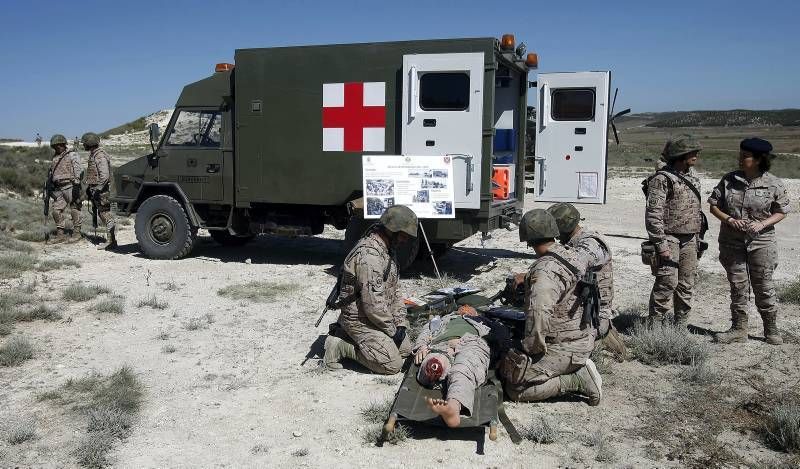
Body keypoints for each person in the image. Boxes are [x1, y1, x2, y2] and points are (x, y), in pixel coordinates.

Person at [499, 209, 602, 405]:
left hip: (564, 347)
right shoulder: (571, 254)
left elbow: (539, 314)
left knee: (515, 387)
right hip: (582, 337)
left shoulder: (545, 270)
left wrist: (529, 350)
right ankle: (575, 368)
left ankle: (577, 379)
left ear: (528, 240)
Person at [709, 138, 791, 345]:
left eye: (745, 156)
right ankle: (738, 329)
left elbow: (781, 212)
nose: (740, 159)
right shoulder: (729, 180)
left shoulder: (773, 183)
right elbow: (713, 206)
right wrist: (728, 219)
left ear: (759, 160)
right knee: (738, 286)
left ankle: (771, 329)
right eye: (741, 154)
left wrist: (762, 224)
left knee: (763, 285)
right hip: (732, 243)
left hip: (762, 242)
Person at [323, 205, 417, 374]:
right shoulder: (369, 256)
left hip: (376, 317)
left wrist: (400, 324)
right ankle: (340, 345)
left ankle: (348, 336)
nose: (405, 240)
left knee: (405, 350)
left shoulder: (387, 251)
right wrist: (392, 330)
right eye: (403, 235)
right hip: (359, 319)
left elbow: (395, 292)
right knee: (392, 364)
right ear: (391, 230)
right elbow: (372, 304)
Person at [546, 202, 626, 358]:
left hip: (594, 318)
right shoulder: (573, 242)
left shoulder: (591, 244)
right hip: (582, 310)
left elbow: (569, 267)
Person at [644, 135, 704, 326]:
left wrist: (698, 238)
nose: (695, 155)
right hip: (669, 239)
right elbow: (653, 215)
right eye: (691, 152)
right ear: (681, 155)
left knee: (686, 285)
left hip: (691, 239)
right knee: (666, 283)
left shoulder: (693, 176)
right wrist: (661, 245)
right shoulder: (662, 179)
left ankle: (681, 326)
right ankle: (654, 326)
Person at [414, 305, 493, 428]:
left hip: (472, 345)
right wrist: (421, 346)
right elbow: (426, 330)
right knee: (434, 363)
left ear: (476, 313)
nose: (465, 308)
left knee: (463, 368)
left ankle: (453, 407)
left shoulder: (484, 322)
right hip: (441, 345)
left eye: (469, 308)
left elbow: (500, 336)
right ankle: (437, 372)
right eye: (463, 307)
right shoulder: (442, 319)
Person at [81, 132, 117, 250]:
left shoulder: (99, 155)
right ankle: (111, 240)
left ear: (89, 143)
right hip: (96, 189)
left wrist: (98, 188)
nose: (83, 145)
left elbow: (105, 176)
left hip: (101, 190)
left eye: (85, 143)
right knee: (102, 213)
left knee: (105, 214)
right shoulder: (94, 154)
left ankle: (111, 241)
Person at [46, 134, 83, 243]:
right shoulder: (55, 158)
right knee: (56, 211)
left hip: (71, 186)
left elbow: (79, 170)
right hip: (59, 188)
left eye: (59, 145)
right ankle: (60, 234)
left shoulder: (72, 155)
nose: (57, 148)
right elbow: (52, 173)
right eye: (55, 146)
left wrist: (77, 183)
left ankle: (77, 233)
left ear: (63, 144)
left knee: (75, 210)